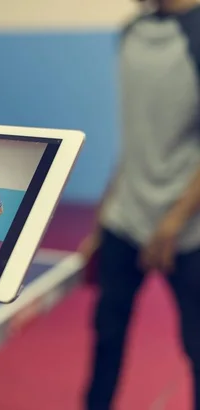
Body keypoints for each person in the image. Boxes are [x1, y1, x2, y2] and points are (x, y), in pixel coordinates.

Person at [78, 1, 200, 409]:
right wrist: (102, 220)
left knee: (198, 347)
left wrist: (174, 221)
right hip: (125, 220)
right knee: (106, 335)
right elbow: (136, 138)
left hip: (186, 231)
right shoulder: (130, 34)